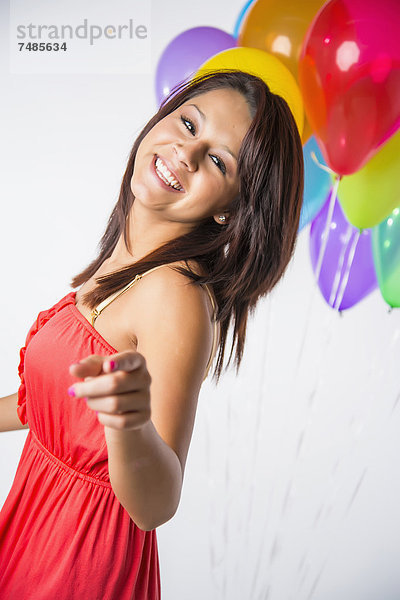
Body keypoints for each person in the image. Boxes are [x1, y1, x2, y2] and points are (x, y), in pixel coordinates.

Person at [0, 69, 303, 599]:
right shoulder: (128, 260)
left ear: (232, 207)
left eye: (216, 160)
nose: (186, 152)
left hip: (77, 561)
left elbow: (156, 504)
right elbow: (51, 408)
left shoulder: (174, 296)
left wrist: (129, 423)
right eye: (188, 123)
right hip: (33, 527)